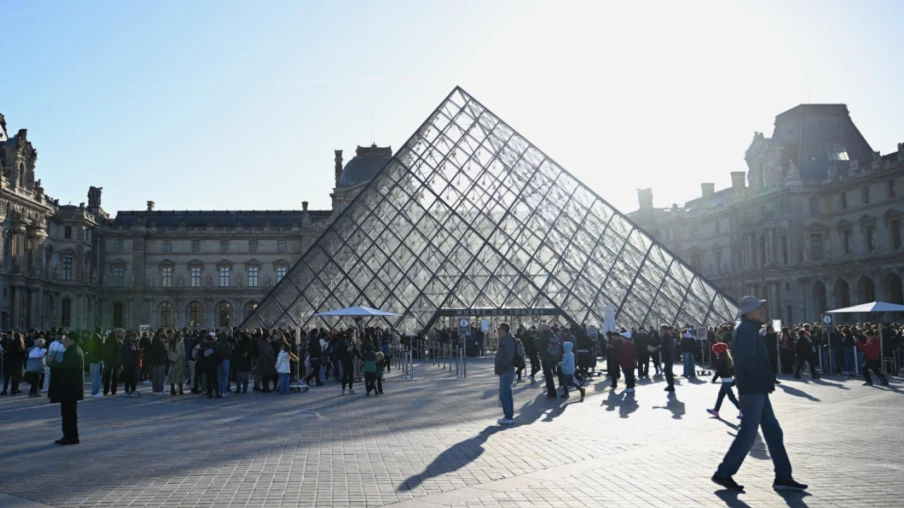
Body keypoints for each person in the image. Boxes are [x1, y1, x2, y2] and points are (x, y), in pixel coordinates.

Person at [712, 296, 807, 492]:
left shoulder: (747, 329)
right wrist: (764, 380)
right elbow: (749, 361)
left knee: (773, 433)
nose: (763, 310)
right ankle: (724, 473)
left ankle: (783, 476)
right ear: (749, 312)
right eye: (758, 308)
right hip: (753, 390)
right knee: (748, 434)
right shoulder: (746, 330)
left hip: (758, 389)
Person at [50, 333, 84, 445]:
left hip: (69, 387)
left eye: (66, 340)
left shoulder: (73, 351)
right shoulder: (74, 350)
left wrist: (52, 363)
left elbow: (67, 367)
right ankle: (69, 435)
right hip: (70, 387)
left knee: (69, 413)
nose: (64, 342)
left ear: (72, 341)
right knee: (68, 413)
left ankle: (71, 436)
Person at [706, 342, 741, 419]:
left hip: (725, 381)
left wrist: (713, 379)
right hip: (729, 380)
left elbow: (718, 371)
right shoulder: (728, 359)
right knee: (720, 395)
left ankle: (742, 409)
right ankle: (716, 410)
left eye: (715, 351)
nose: (714, 352)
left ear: (719, 351)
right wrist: (735, 380)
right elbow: (733, 371)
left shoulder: (720, 360)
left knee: (731, 397)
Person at [494, 323, 516, 425]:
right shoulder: (506, 340)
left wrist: (501, 367)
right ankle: (509, 415)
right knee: (507, 394)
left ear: (504, 331)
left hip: (506, 371)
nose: (498, 332)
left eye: (499, 330)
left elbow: (508, 357)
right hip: (506, 371)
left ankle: (508, 416)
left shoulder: (508, 341)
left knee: (504, 395)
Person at [119, 333, 142, 397]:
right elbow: (129, 353)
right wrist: (137, 352)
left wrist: (138, 352)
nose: (136, 339)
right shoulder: (128, 343)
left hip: (130, 363)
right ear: (132, 337)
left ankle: (130, 390)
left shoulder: (129, 343)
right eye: (136, 337)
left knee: (130, 378)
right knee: (130, 377)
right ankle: (131, 390)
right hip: (130, 363)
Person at [102, 330, 122, 396]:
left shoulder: (106, 343)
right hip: (115, 362)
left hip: (108, 362)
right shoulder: (116, 343)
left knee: (107, 377)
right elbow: (119, 352)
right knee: (114, 377)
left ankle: (105, 390)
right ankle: (113, 390)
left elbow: (104, 352)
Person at [166, 331, 186, 395]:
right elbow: (182, 352)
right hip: (179, 360)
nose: (182, 336)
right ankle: (180, 390)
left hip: (173, 360)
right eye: (181, 335)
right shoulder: (181, 342)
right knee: (180, 375)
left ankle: (173, 390)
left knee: (174, 375)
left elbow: (168, 351)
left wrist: (171, 358)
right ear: (178, 335)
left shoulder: (171, 342)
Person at [87, 328, 104, 398]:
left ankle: (94, 392)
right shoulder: (99, 339)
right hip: (97, 359)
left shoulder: (92, 338)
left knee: (94, 376)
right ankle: (95, 392)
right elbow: (101, 350)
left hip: (92, 359)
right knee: (97, 376)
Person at [150, 331, 169, 395]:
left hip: (155, 363)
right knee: (160, 377)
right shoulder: (162, 344)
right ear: (163, 338)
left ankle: (154, 390)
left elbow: (151, 353)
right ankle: (160, 390)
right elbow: (164, 354)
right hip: (161, 363)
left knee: (155, 377)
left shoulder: (154, 343)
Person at [660, 325, 676, 391]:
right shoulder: (670, 335)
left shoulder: (665, 336)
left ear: (664, 329)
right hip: (670, 355)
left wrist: (658, 348)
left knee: (667, 371)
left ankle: (670, 386)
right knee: (669, 370)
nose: (661, 330)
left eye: (661, 329)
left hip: (667, 355)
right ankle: (671, 385)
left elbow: (664, 346)